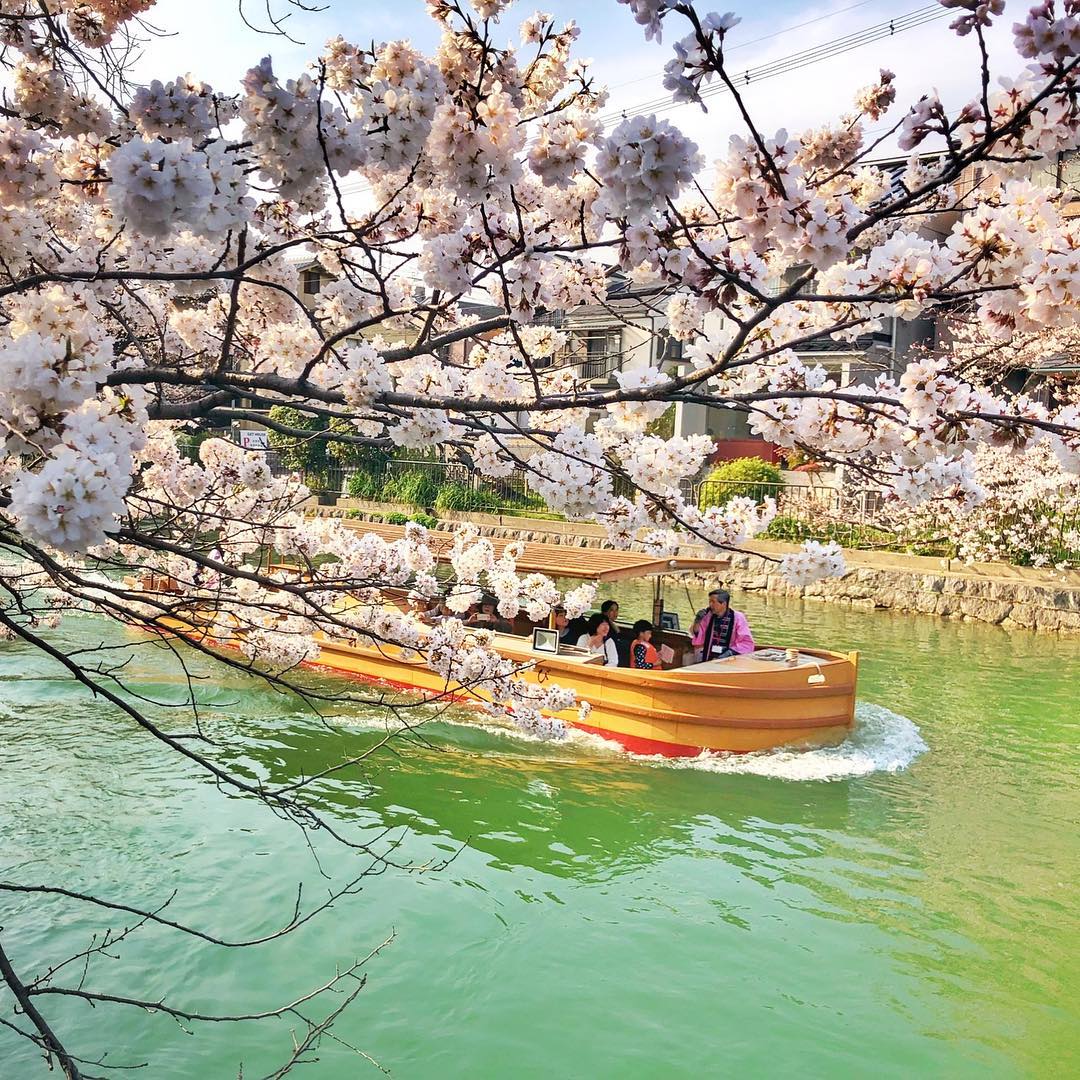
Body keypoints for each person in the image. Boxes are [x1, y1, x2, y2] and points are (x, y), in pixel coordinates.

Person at [692, 588, 755, 661]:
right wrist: (697, 621)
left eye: (713, 602)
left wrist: (729, 653)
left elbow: (746, 642)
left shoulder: (737, 617)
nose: (710, 605)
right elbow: (698, 634)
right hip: (708, 656)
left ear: (724, 604)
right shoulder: (708, 616)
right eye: (709, 602)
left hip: (729, 659)